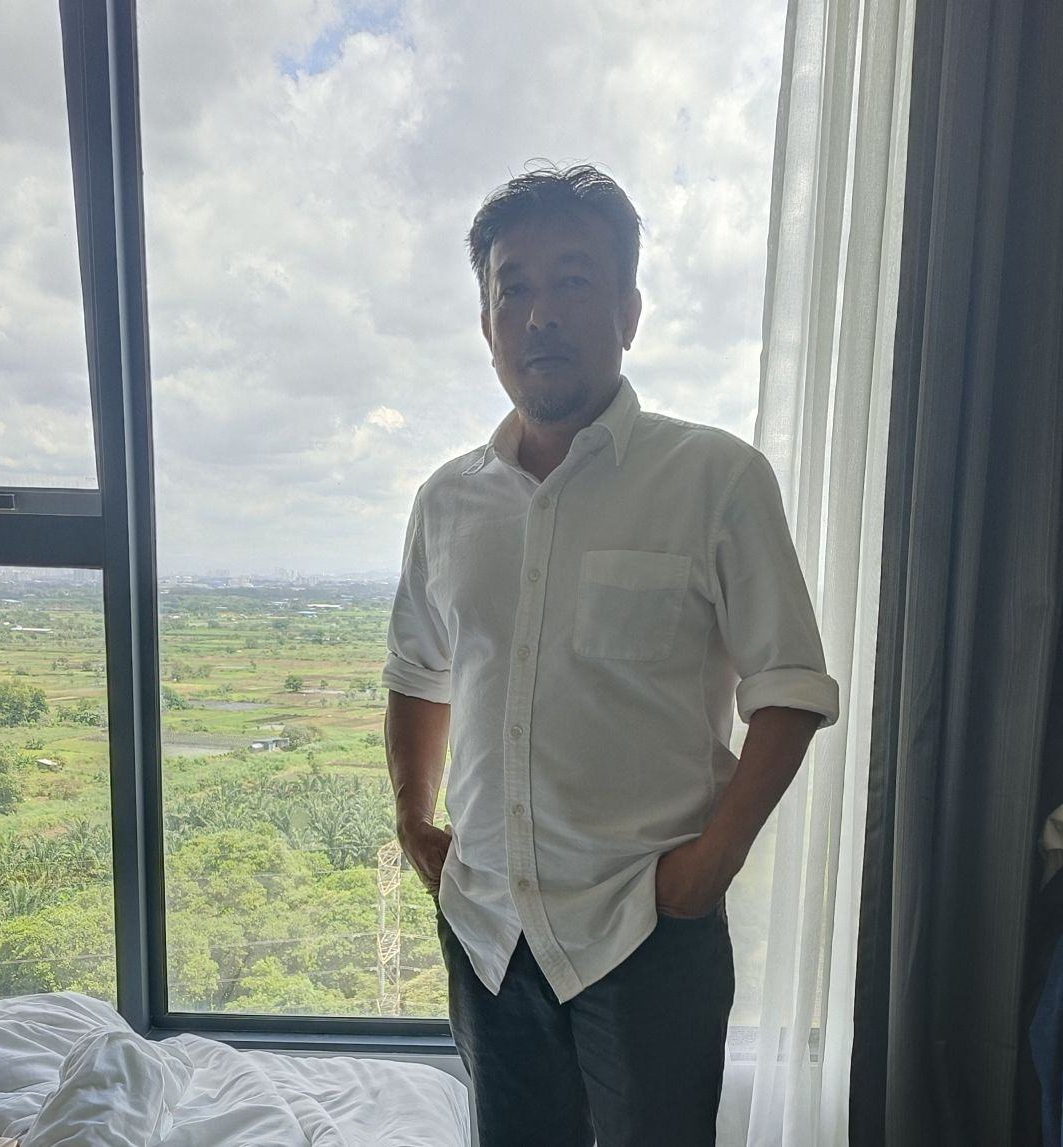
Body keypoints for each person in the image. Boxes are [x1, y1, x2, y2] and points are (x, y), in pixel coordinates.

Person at [381, 164, 840, 1147]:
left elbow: (790, 689)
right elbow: (417, 674)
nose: (540, 313)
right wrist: (415, 822)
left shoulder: (714, 476)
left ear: (629, 311)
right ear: (487, 323)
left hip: (646, 927)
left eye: (574, 280)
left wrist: (710, 866)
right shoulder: (447, 501)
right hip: (490, 930)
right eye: (513, 287)